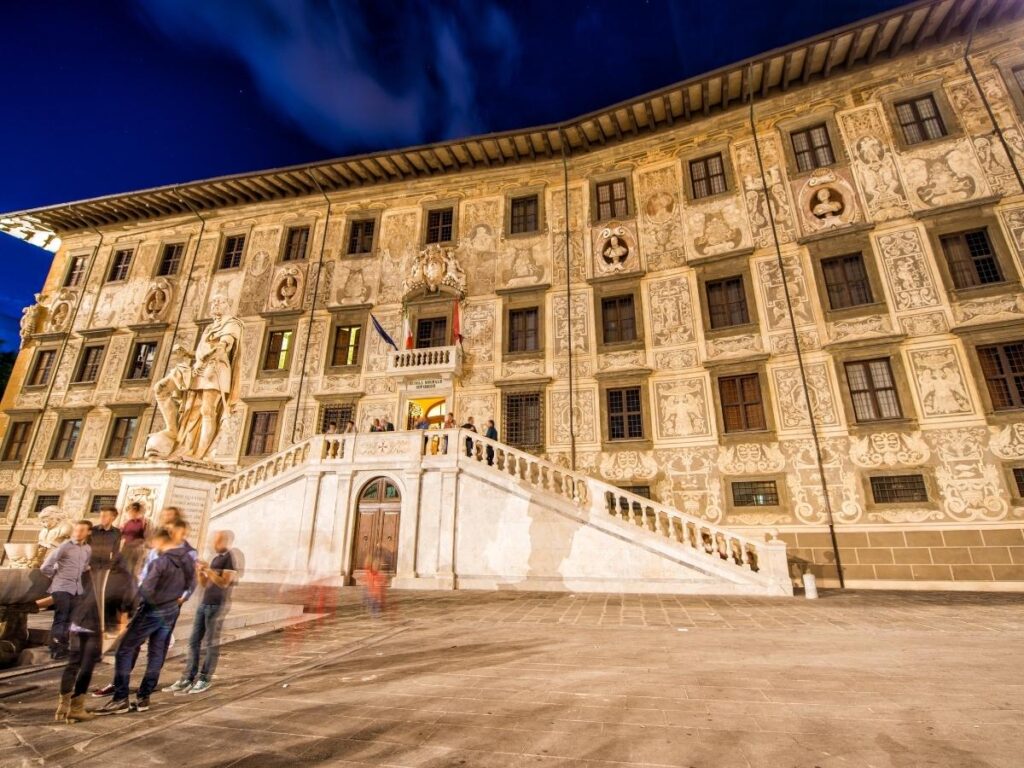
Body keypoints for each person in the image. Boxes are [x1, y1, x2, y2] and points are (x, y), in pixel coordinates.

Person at [97, 523, 196, 715]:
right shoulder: (185, 561)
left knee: (124, 649)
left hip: (152, 610)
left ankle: (120, 698)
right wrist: (180, 599)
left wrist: (128, 609)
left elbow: (146, 590)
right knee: (157, 653)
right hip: (171, 611)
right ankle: (144, 697)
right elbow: (191, 583)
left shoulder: (160, 561)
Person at [164, 531, 236, 695]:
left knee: (210, 643)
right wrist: (199, 570)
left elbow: (224, 583)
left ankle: (204, 678)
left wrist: (209, 569)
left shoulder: (229, 557)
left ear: (226, 541)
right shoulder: (216, 557)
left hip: (217, 605)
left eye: (217, 541)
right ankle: (188, 677)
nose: (214, 544)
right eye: (214, 541)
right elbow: (205, 583)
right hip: (204, 603)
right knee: (193, 642)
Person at [40, 520, 92, 660]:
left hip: (76, 588)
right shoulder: (64, 546)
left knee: (70, 618)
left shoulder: (87, 549)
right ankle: (57, 648)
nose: (78, 533)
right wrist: (57, 576)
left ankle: (61, 645)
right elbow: (46, 566)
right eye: (76, 530)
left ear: (88, 532)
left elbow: (85, 566)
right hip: (61, 586)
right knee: (61, 617)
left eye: (82, 530)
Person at [119, 502, 148, 577]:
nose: (130, 513)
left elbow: (146, 536)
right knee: (122, 568)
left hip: (136, 549)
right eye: (129, 512)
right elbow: (122, 534)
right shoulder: (128, 522)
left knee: (132, 569)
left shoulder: (143, 522)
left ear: (137, 512)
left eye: (132, 511)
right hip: (126, 548)